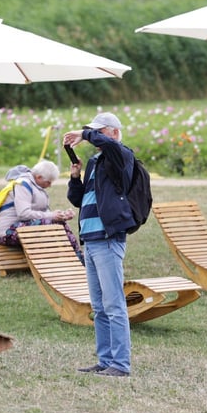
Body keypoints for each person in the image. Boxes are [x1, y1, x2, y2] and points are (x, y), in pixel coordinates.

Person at [63, 112, 135, 378]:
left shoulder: (121, 156)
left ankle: (121, 364)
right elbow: (79, 200)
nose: (95, 138)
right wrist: (75, 176)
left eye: (100, 132)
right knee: (99, 307)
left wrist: (82, 134)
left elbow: (109, 146)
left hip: (108, 239)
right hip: (91, 241)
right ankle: (105, 360)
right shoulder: (95, 162)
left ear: (114, 133)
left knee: (114, 305)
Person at [0, 160, 81, 258]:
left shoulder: (36, 185)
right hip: (7, 232)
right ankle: (76, 257)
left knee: (58, 222)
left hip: (24, 228)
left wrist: (62, 215)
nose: (50, 185)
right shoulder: (22, 184)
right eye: (48, 182)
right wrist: (51, 216)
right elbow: (23, 214)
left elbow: (43, 214)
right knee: (53, 223)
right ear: (39, 177)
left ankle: (74, 257)